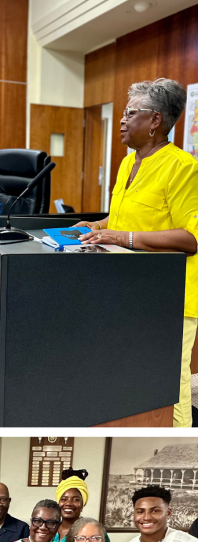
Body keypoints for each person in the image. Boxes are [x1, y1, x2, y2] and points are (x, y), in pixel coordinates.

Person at [74, 79, 198, 426]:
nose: (123, 121)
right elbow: (124, 218)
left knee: (171, 383)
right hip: (127, 288)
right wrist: (97, 226)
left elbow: (190, 238)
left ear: (155, 121)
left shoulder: (183, 168)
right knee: (130, 375)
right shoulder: (128, 163)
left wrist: (123, 237)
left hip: (172, 296)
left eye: (130, 113)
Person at [53, 472, 112, 542]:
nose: (68, 503)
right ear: (58, 502)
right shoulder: (50, 527)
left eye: (76, 499)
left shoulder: (94, 530)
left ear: (83, 503)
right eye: (64, 499)